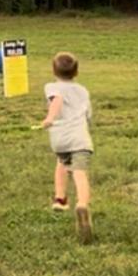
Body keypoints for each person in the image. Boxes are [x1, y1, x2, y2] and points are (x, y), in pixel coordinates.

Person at [35, 52, 94, 243]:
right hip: (80, 139)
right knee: (79, 172)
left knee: (61, 162)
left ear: (54, 70)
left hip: (60, 140)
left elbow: (57, 99)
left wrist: (50, 119)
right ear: (76, 72)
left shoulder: (51, 86)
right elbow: (86, 114)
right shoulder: (83, 90)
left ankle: (60, 199)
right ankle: (82, 204)